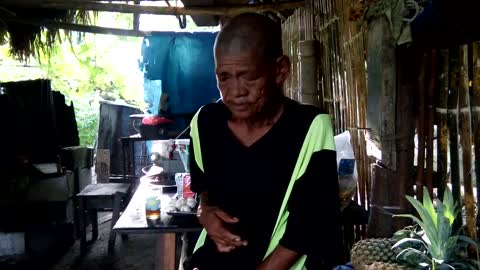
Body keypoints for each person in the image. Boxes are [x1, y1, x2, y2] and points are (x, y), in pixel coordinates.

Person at [187, 12, 344, 270]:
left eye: (248, 76)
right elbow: (205, 190)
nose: (236, 91)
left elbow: (310, 225)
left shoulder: (310, 128)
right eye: (224, 77)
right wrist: (204, 212)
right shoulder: (205, 122)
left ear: (280, 70)